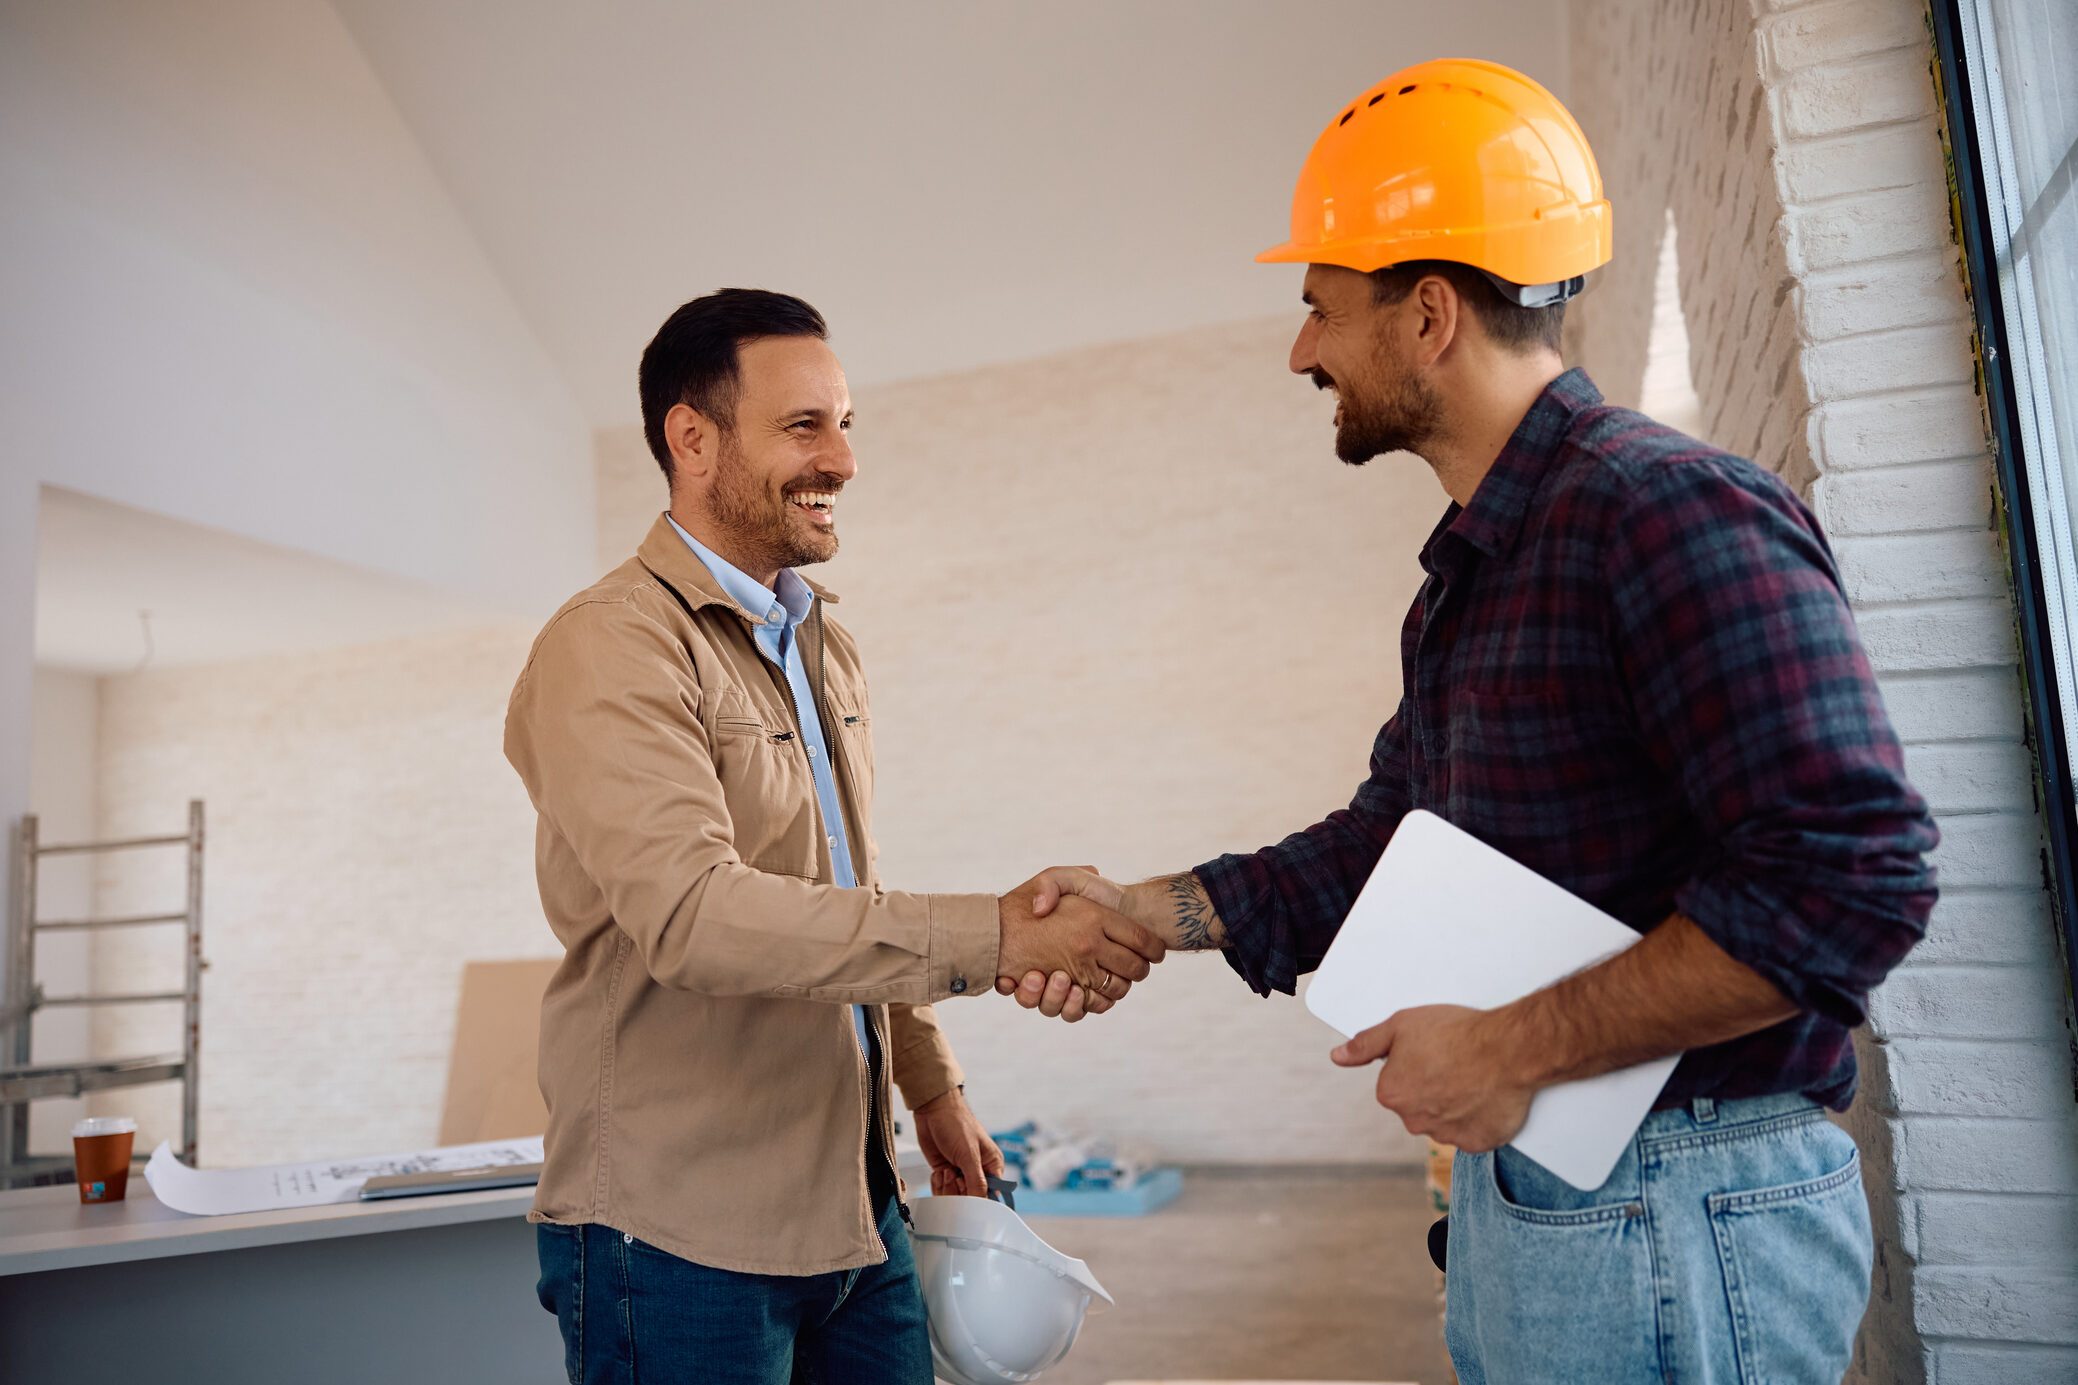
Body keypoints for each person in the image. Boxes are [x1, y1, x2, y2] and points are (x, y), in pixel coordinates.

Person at [1015, 59, 1937, 1383]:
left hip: (1678, 1196)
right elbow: (1385, 844)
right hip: (1558, 1185)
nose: (1300, 351)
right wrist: (1147, 910)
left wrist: (1508, 1047)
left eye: (1319, 308)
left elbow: (1848, 878)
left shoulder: (1659, 511)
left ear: (1429, 314)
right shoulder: (1479, 571)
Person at [504, 288, 1166, 1383]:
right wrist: (997, 936)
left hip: (860, 1213)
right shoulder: (610, 646)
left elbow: (840, 884)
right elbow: (694, 917)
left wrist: (930, 1085)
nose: (844, 459)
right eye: (805, 425)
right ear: (692, 438)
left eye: (845, 422)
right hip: (675, 1241)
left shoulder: (821, 644)